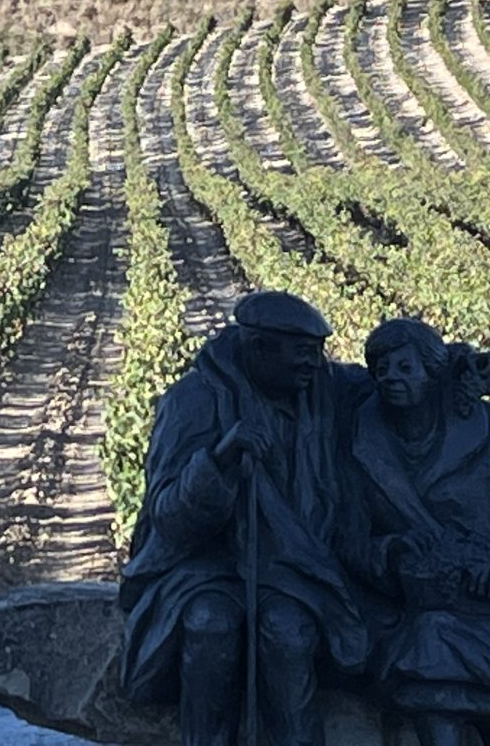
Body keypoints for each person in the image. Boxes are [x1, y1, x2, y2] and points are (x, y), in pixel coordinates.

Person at [120, 290, 371, 746]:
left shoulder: (321, 388)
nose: (314, 365)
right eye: (301, 355)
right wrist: (219, 460)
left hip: (293, 567)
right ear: (258, 349)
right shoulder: (192, 401)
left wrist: (457, 368)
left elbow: (395, 381)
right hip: (204, 566)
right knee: (210, 626)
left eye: (317, 354)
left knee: (289, 633)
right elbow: (170, 518)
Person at [344, 317, 490, 746]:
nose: (390, 380)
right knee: (430, 667)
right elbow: (351, 541)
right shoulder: (363, 442)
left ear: (433, 373)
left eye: (404, 369)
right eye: (381, 371)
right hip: (414, 607)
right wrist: (392, 552)